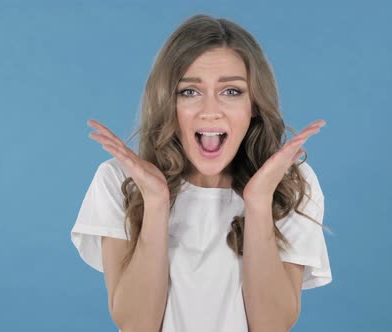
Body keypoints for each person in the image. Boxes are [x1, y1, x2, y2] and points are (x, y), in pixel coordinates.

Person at [70, 13, 332, 332]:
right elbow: (136, 325)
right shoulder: (118, 180)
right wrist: (155, 204)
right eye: (189, 91)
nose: (210, 110)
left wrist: (259, 202)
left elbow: (272, 326)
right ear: (168, 101)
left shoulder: (290, 183)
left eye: (231, 91)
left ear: (254, 105)